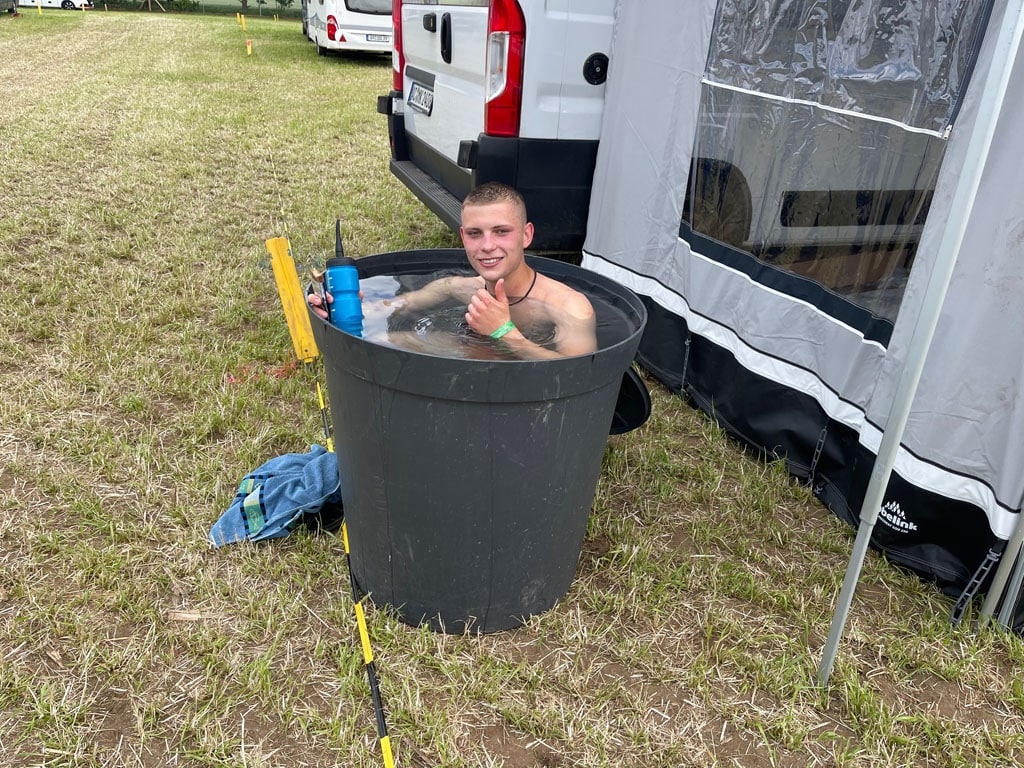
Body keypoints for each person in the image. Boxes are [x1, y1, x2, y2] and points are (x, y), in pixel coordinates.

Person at [308, 182, 597, 359]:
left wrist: (505, 333)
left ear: (526, 235)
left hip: (523, 396)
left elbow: (579, 375)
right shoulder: (460, 288)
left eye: (501, 231)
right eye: (475, 233)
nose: (487, 246)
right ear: (462, 237)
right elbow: (400, 304)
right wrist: (346, 310)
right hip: (469, 358)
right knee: (385, 341)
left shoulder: (569, 306)